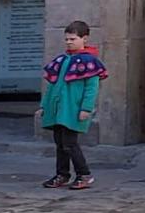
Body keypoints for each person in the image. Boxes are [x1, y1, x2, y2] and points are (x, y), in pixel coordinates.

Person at [40, 21, 105, 191]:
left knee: (70, 143)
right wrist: (44, 105)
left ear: (85, 39)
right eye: (67, 39)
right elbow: (51, 85)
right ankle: (62, 174)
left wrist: (86, 108)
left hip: (73, 109)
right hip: (58, 109)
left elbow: (91, 89)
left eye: (73, 39)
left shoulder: (90, 62)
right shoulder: (62, 60)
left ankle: (84, 174)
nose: (69, 42)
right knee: (60, 143)